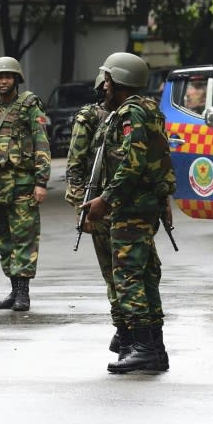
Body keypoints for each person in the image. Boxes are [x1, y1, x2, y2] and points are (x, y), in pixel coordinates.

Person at [83, 52, 175, 374]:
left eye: (107, 79)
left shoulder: (130, 114)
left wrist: (105, 200)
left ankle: (143, 348)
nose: (104, 85)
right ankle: (156, 349)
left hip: (130, 206)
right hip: (144, 204)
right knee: (146, 274)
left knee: (128, 276)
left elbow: (131, 165)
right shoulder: (148, 109)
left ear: (120, 81)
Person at [0, 57, 51, 312]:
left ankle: (23, 293)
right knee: (3, 240)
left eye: (8, 77)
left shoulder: (30, 106)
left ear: (16, 79)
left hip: (22, 184)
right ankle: (13, 288)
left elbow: (41, 143)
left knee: (24, 239)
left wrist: (41, 182)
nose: (3, 81)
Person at [65, 61, 126, 358]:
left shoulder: (134, 116)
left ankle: (133, 328)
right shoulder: (89, 117)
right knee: (112, 273)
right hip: (98, 206)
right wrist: (81, 207)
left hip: (129, 207)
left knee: (133, 272)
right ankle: (122, 326)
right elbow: (75, 166)